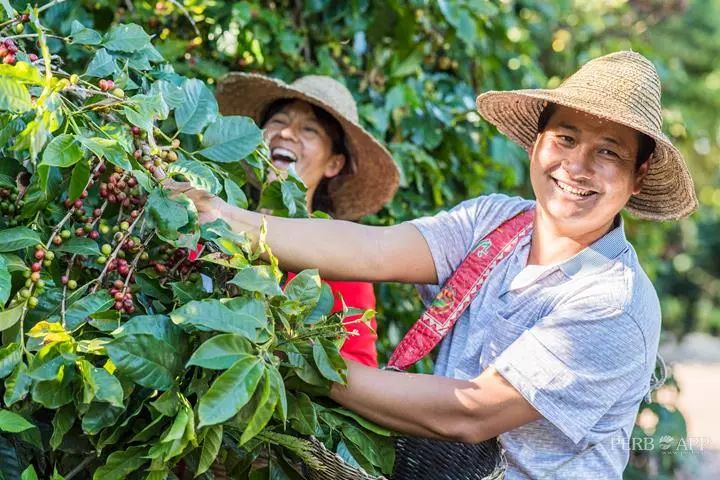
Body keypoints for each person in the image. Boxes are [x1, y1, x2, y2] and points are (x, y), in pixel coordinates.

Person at [166, 52, 697, 478]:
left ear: (639, 175)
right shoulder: (496, 220)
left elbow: (469, 411)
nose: (575, 166)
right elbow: (373, 250)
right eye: (565, 138)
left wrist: (295, 362)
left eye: (609, 152)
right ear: (537, 144)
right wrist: (225, 216)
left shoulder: (614, 301)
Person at [214, 73, 400, 367]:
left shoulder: (343, 258)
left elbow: (355, 366)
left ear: (334, 163)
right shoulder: (215, 226)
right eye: (278, 121)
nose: (286, 134)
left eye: (309, 129)